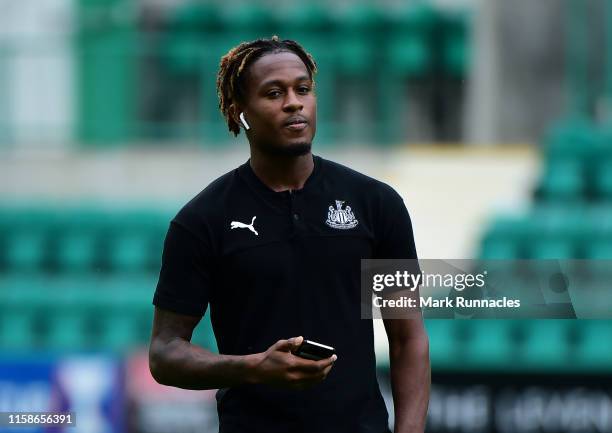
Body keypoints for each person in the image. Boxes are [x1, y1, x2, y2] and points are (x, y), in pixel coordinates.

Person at [149, 36, 430, 433]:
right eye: (274, 93)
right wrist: (254, 367)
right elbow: (164, 354)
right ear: (239, 111)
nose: (294, 102)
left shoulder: (375, 203)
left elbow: (408, 339)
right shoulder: (201, 220)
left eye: (303, 89)